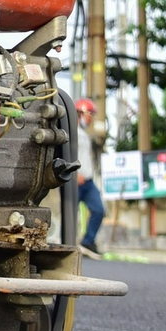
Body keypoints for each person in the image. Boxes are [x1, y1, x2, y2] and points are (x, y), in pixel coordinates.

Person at [70, 96, 108, 260]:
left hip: (88, 180)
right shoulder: (70, 131)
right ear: (81, 113)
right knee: (70, 214)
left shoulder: (84, 134)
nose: (91, 118)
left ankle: (88, 241)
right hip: (75, 179)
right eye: (90, 114)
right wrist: (74, 173)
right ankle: (69, 244)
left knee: (99, 209)